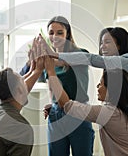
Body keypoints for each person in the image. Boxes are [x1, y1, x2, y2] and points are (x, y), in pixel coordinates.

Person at [40, 27, 128, 156]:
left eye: (107, 42)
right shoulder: (113, 71)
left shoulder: (127, 61)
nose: (102, 47)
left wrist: (54, 54)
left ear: (119, 45)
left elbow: (91, 59)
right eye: (101, 43)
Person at [44, 55, 128, 155]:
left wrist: (51, 72)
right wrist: (55, 107)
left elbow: (66, 105)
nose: (98, 86)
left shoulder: (109, 113)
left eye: (101, 83)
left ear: (112, 89)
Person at [41, 16, 95, 156]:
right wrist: (51, 104)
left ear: (68, 34)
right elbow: (52, 91)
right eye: (51, 33)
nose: (55, 36)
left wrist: (52, 58)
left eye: (60, 32)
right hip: (56, 115)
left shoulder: (81, 54)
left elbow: (65, 61)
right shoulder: (49, 63)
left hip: (78, 113)